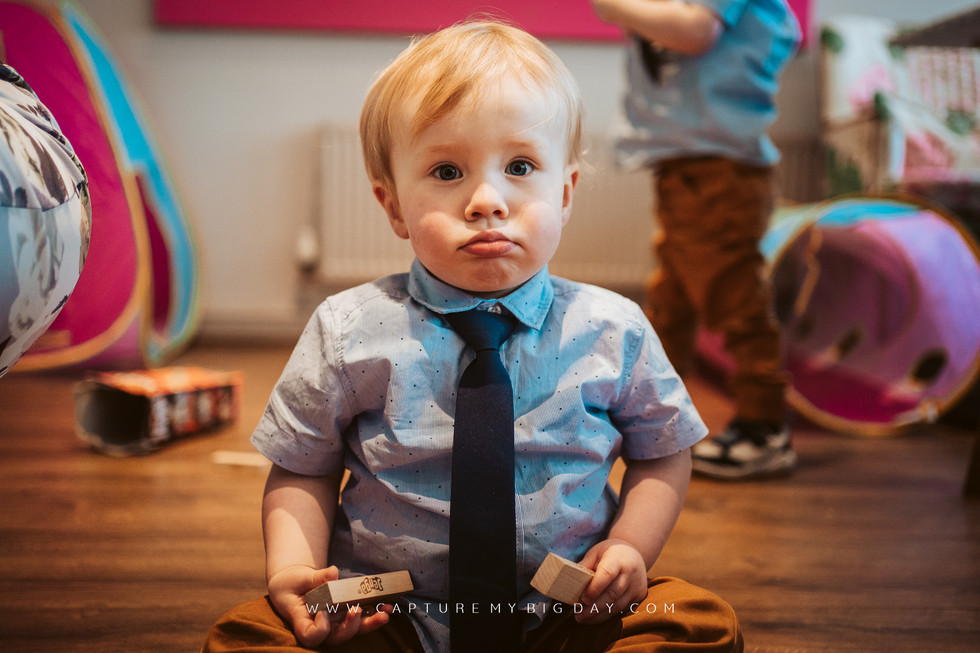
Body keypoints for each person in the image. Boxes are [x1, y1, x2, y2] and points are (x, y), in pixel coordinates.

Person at [202, 20, 742, 653]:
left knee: (698, 620)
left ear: (565, 193)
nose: (487, 200)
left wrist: (628, 548)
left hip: (564, 607)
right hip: (383, 609)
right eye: (447, 171)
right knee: (244, 635)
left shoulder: (613, 328)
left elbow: (662, 450)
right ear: (393, 206)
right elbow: (301, 468)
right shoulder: (347, 329)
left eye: (519, 166)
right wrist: (293, 571)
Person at [591, 0, 801, 480]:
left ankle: (764, 423)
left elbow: (695, 32)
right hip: (690, 163)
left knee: (735, 296)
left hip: (719, 168)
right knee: (673, 301)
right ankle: (655, 417)